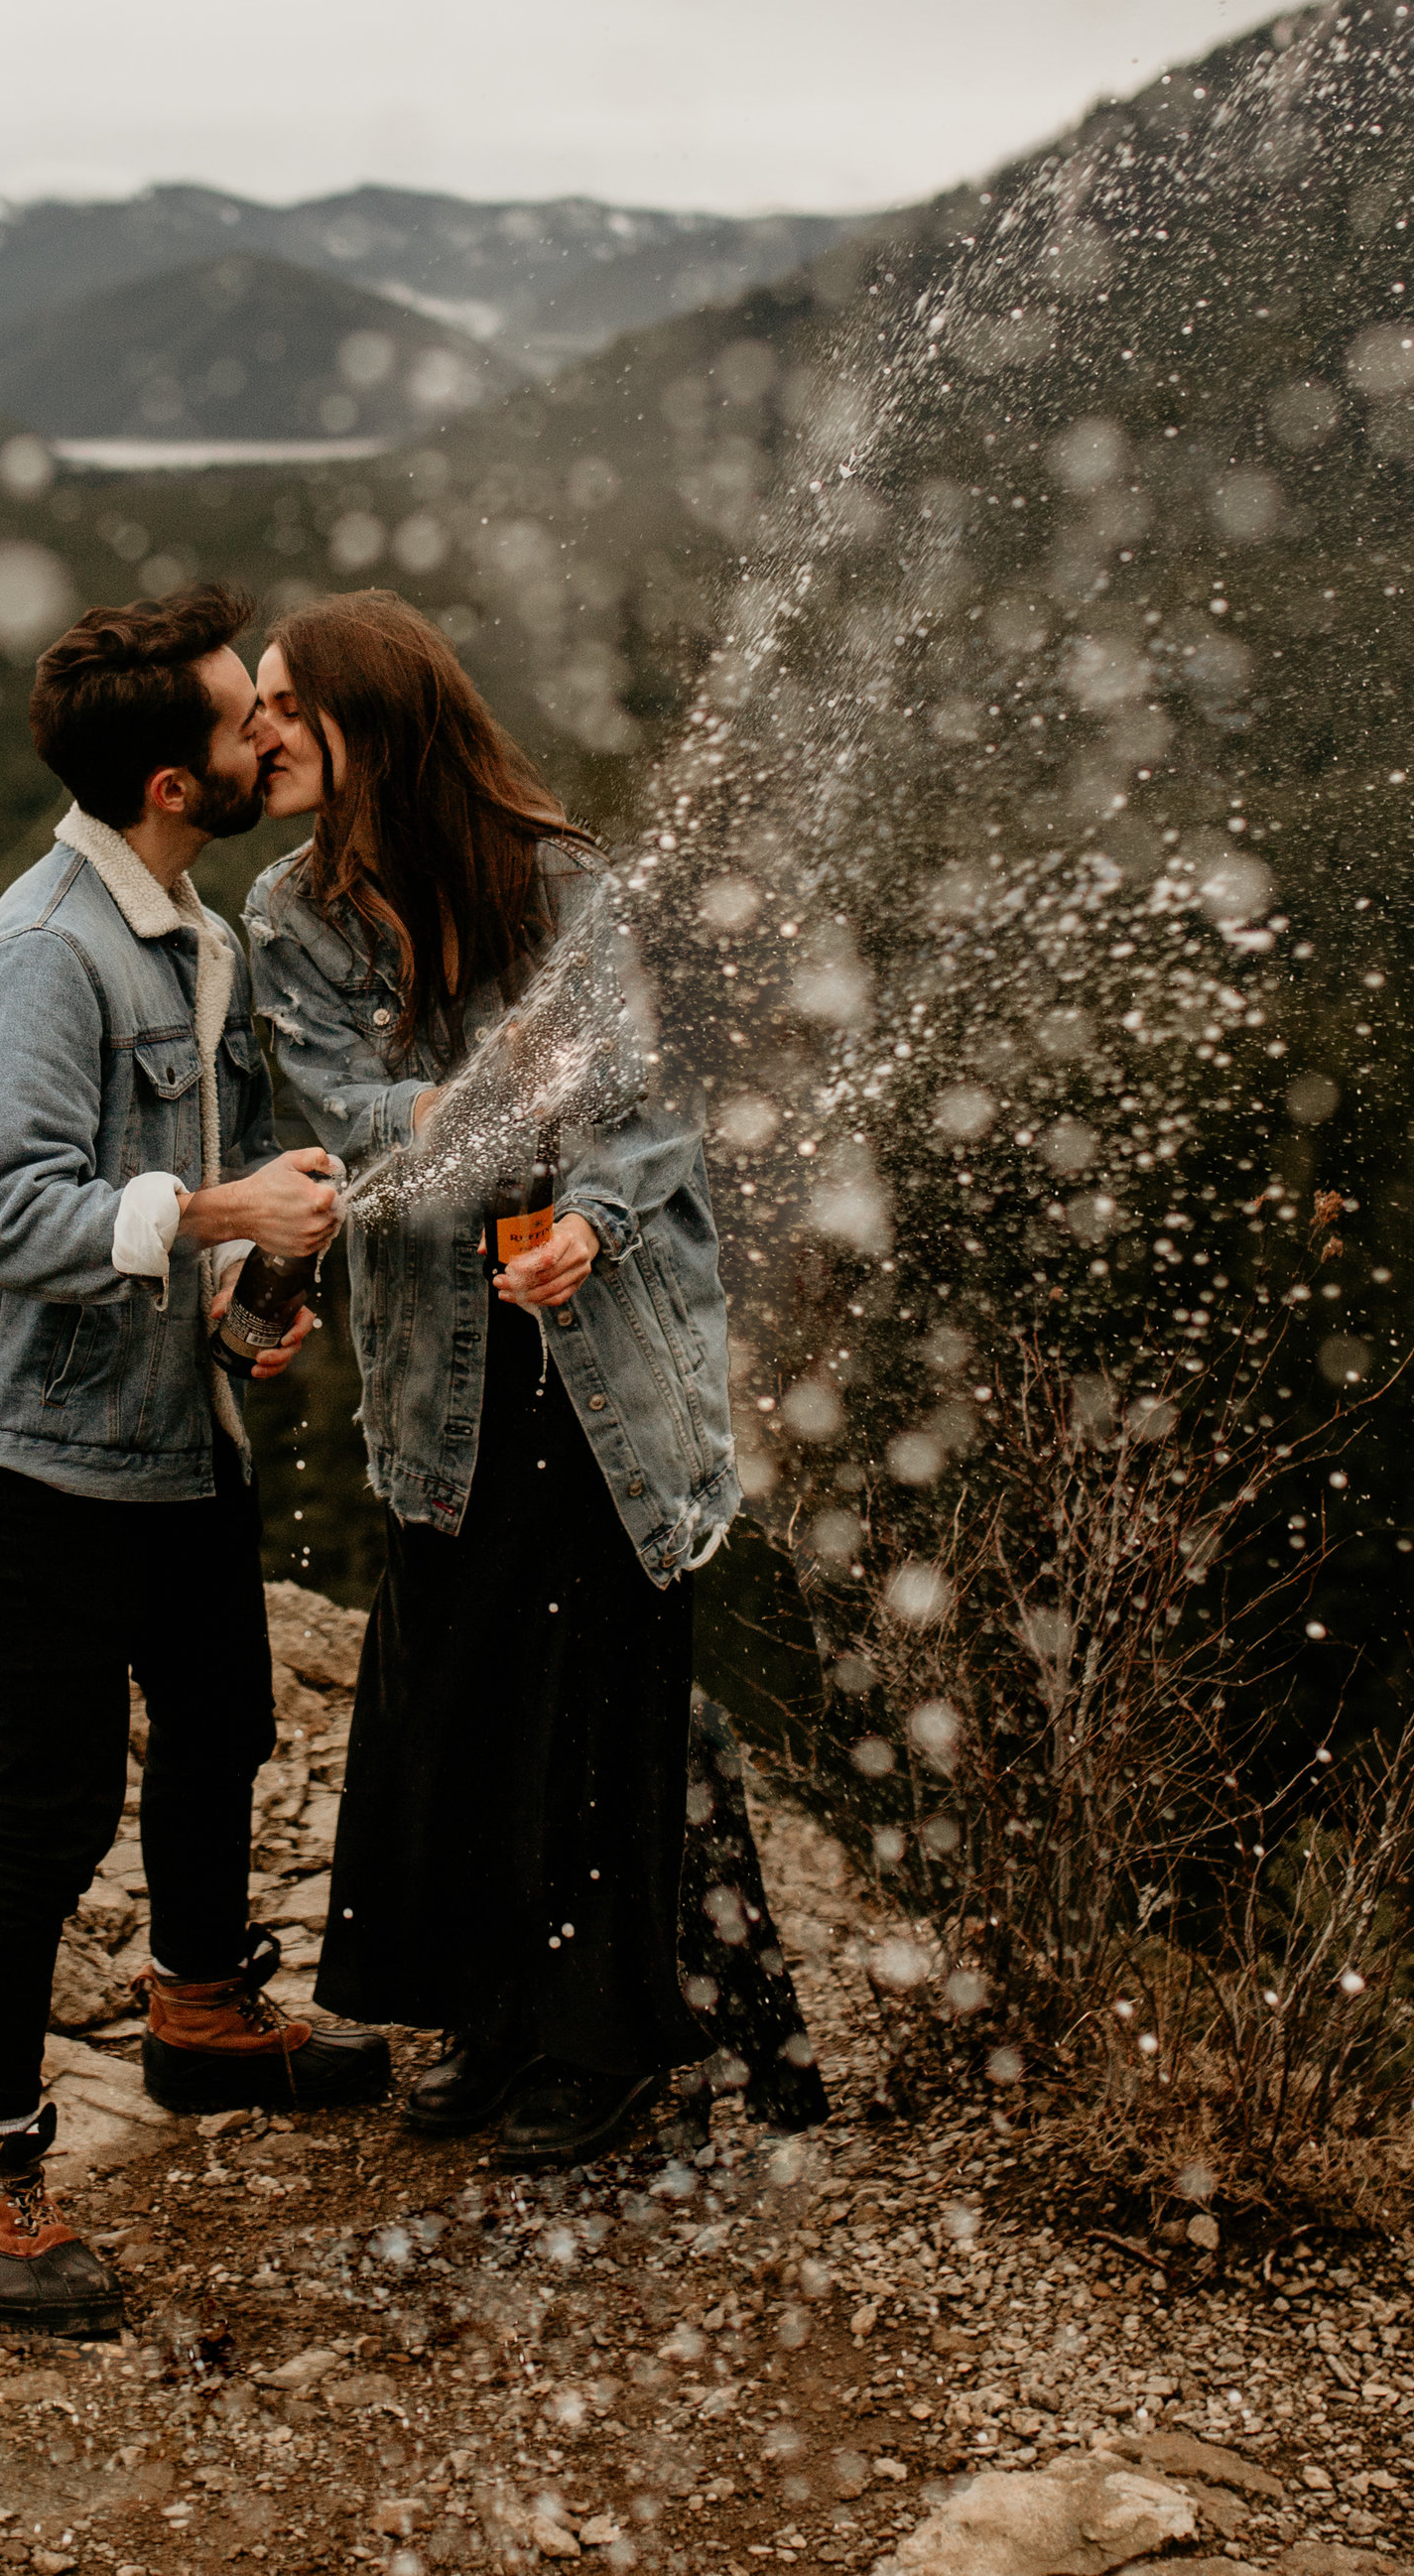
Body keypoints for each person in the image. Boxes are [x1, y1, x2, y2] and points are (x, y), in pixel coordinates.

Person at [243, 589, 826, 2173]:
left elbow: (640, 1110)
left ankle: (603, 2040)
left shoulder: (562, 882)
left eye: (293, 704)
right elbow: (350, 1121)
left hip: (602, 1338)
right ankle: (486, 2011)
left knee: (601, 1683)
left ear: (381, 715)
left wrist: (584, 1218)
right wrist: (481, 1121)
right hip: (442, 1357)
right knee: (455, 1671)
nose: (262, 733)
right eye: (260, 708)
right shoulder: (286, 918)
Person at [0, 580, 391, 2335]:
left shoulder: (187, 927)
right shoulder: (47, 956)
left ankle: (197, 2012)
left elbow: (152, 1208)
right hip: (35, 1443)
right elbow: (11, 1215)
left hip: (166, 1411)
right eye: (240, 717)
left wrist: (251, 1281)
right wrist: (219, 1205)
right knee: (51, 1809)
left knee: (224, 1718)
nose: (273, 730)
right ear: (173, 786)